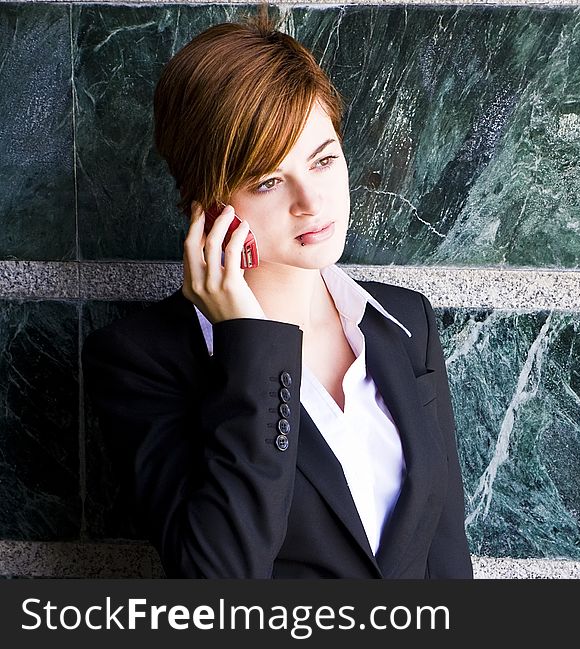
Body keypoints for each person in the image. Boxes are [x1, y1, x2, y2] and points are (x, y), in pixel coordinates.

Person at [81, 13, 473, 579]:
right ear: (208, 204)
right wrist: (254, 348)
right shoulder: (143, 361)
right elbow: (220, 581)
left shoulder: (405, 323)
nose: (311, 201)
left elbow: (444, 551)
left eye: (323, 158)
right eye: (267, 180)